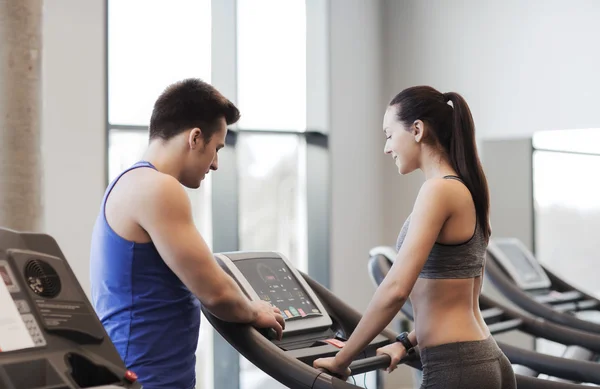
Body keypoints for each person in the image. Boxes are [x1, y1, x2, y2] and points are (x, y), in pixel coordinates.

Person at [313, 86, 516, 388]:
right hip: (484, 359)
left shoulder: (438, 191)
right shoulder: (466, 187)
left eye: (389, 135)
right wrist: (405, 343)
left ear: (417, 130)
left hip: (457, 367)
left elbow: (395, 288)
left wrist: (342, 360)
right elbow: (455, 296)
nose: (387, 147)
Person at [90, 79, 285, 389]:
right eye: (216, 148)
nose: (216, 163)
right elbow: (216, 293)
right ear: (195, 138)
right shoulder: (158, 188)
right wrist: (253, 310)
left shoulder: (129, 184)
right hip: (145, 381)